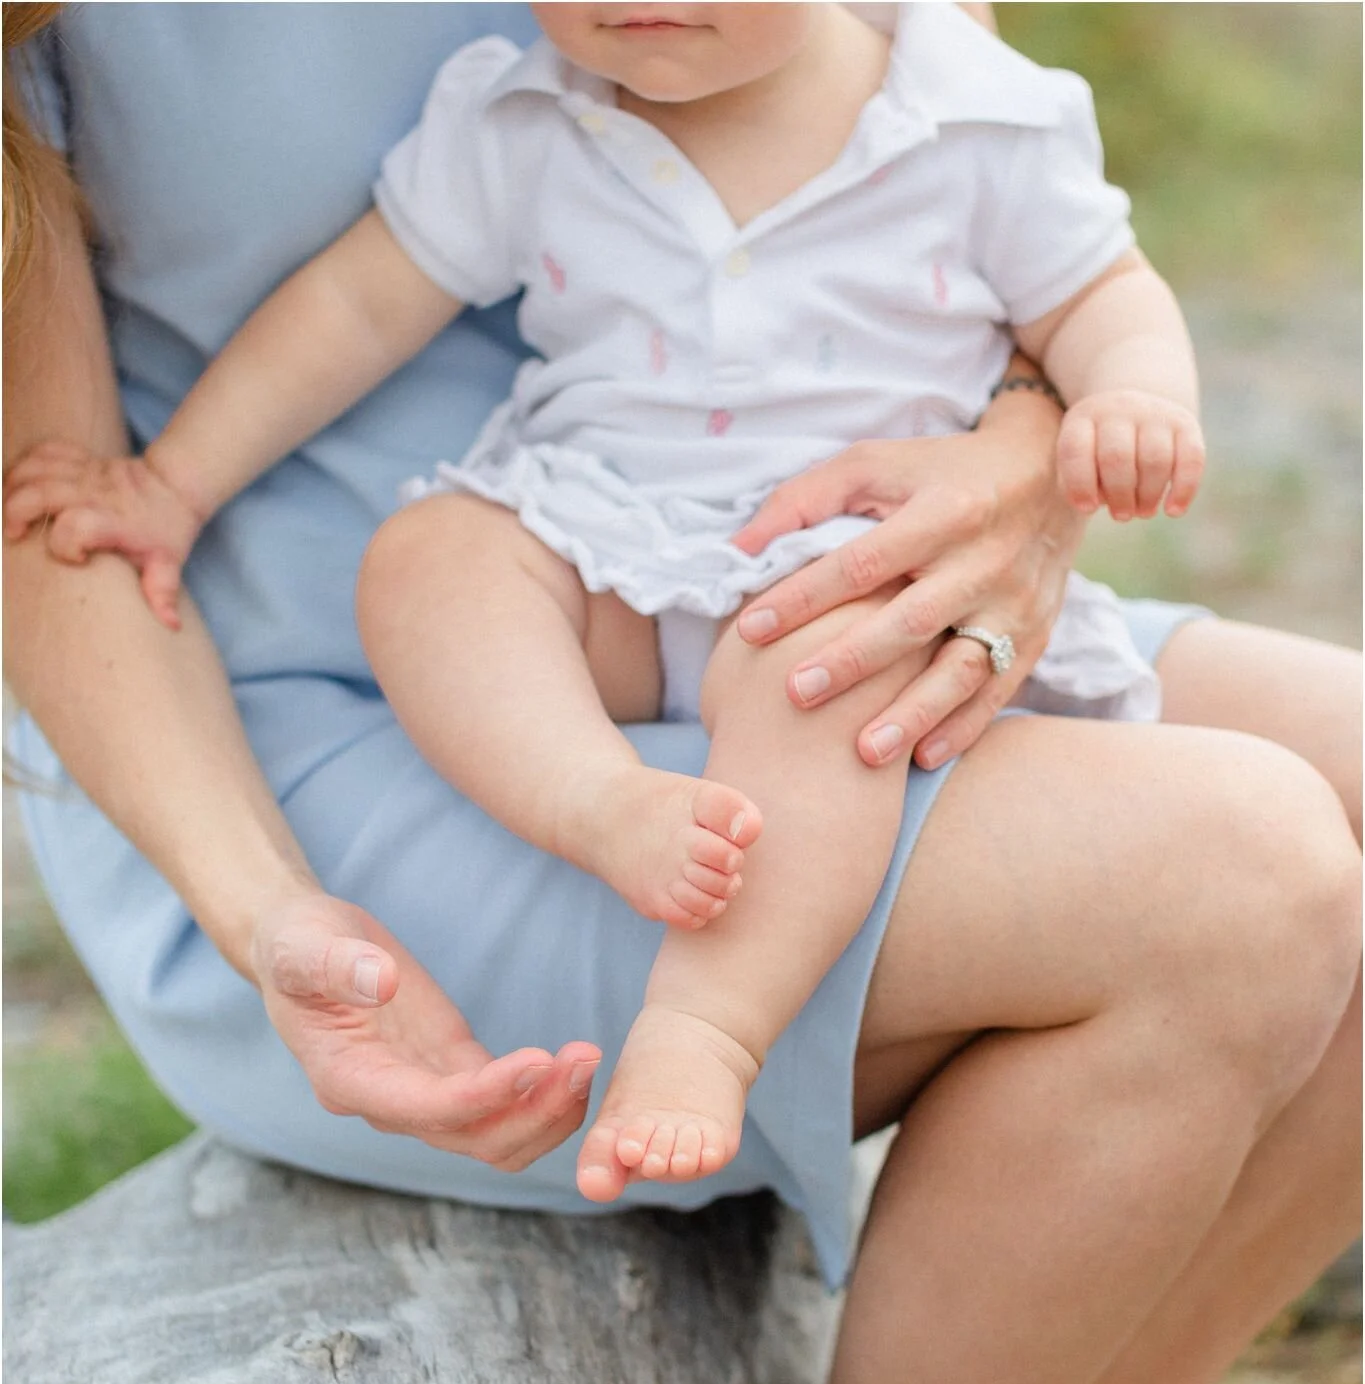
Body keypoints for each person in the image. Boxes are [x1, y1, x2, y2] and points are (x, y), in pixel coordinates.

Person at [3, 5, 1360, 1384]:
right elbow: (42, 522)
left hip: (776, 541)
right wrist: (266, 911)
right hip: (358, 738)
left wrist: (1020, 473)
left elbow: (972, 166)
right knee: (1241, 877)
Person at [4, 2, 1206, 1205]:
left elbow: (1099, 290)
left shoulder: (972, 111)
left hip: (836, 558)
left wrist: (1126, 398)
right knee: (432, 560)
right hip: (607, 549)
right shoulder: (527, 114)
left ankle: (706, 1024)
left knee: (831, 681)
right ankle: (599, 799)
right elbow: (357, 305)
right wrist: (172, 485)